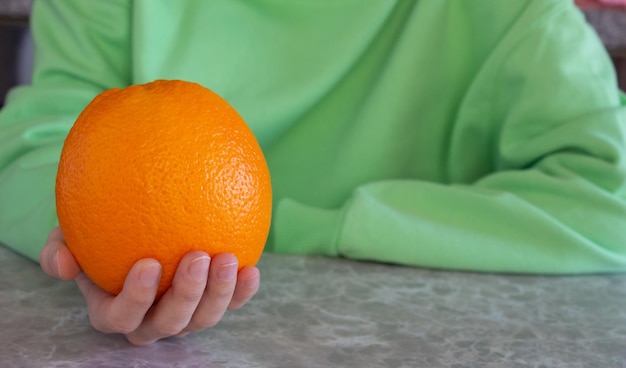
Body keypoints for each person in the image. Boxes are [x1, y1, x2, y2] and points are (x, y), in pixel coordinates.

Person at [1, 0, 625, 345]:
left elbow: (612, 193)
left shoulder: (512, 14)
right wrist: (83, 238)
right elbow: (31, 147)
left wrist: (308, 229)